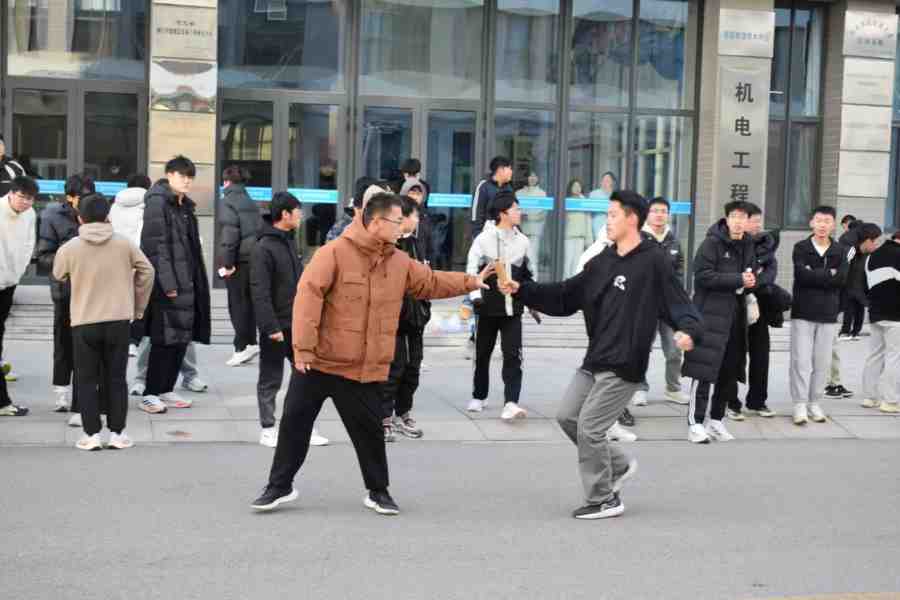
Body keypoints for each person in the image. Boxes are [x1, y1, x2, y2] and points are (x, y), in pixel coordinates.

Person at [250, 193, 493, 515]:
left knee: (370, 433)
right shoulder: (333, 253)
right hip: (318, 361)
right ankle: (279, 486)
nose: (403, 227)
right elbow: (307, 299)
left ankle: (378, 492)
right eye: (397, 221)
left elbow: (430, 282)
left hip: (361, 367)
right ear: (376, 221)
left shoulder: (398, 261)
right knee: (295, 424)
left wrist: (471, 281)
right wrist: (303, 348)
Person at [498, 190, 701, 519]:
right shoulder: (603, 261)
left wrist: (689, 330)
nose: (607, 221)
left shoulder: (654, 261)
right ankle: (617, 465)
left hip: (625, 362)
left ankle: (604, 498)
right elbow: (566, 295)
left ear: (632, 219)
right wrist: (523, 290)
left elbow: (679, 302)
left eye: (612, 215)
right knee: (568, 417)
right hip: (596, 358)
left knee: (590, 428)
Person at [52, 193, 154, 450]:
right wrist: (137, 306)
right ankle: (117, 434)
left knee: (86, 379)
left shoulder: (70, 248)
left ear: (80, 217)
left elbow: (58, 274)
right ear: (108, 215)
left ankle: (92, 435)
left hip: (84, 321)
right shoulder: (124, 244)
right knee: (116, 378)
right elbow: (147, 271)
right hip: (118, 320)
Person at [251, 192, 329, 448]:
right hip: (276, 325)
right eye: (297, 211)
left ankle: (302, 426)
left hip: (296, 322)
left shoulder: (289, 241)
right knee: (271, 377)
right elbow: (259, 291)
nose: (301, 215)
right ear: (285, 214)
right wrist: (269, 326)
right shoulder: (264, 247)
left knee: (306, 375)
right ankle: (268, 428)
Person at [139, 155, 212, 414]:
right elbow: (155, 246)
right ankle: (150, 393)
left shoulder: (184, 206)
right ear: (169, 175)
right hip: (168, 284)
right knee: (164, 339)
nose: (187, 181)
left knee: (181, 338)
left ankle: (166, 389)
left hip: (187, 281)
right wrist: (167, 282)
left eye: (190, 177)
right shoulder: (157, 202)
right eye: (182, 176)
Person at [682, 201, 756, 443]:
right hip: (710, 315)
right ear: (726, 219)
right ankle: (695, 423)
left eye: (742, 217)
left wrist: (750, 283)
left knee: (728, 371)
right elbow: (702, 276)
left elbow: (750, 273)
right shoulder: (711, 243)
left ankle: (716, 420)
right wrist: (738, 279)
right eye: (733, 216)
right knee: (704, 370)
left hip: (735, 316)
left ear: (748, 221)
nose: (737, 221)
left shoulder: (748, 244)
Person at [465, 192, 531, 420]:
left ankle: (511, 402)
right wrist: (475, 297)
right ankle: (479, 395)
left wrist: (532, 300)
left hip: (514, 310)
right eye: (516, 209)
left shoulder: (523, 242)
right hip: (487, 308)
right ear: (503, 213)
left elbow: (530, 274)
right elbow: (471, 270)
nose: (520, 212)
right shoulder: (483, 240)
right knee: (483, 354)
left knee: (513, 356)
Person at [37, 174, 95, 422]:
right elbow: (43, 257)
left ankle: (83, 396)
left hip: (92, 291)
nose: (87, 202)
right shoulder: (52, 216)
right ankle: (61, 389)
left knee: (86, 345)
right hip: (65, 290)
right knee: (63, 343)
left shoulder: (98, 214)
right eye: (82, 197)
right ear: (70, 197)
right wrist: (71, 259)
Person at [789, 206, 850, 426]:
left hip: (828, 313)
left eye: (827, 221)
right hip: (803, 312)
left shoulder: (840, 250)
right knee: (800, 360)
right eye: (819, 220)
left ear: (833, 225)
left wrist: (815, 273)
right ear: (811, 223)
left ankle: (814, 402)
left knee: (822, 362)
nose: (822, 225)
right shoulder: (801, 247)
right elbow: (801, 275)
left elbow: (841, 279)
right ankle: (799, 404)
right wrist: (828, 274)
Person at [731, 203, 789, 419]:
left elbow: (770, 274)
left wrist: (751, 282)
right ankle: (731, 402)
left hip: (759, 309)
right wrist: (749, 280)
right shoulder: (730, 244)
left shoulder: (766, 245)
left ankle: (757, 401)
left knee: (761, 356)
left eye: (758, 221)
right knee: (733, 357)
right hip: (734, 309)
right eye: (752, 220)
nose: (757, 225)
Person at [380, 196, 431, 441]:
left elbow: (427, 277)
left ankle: (403, 414)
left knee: (413, 368)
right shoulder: (390, 245)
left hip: (416, 318)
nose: (417, 220)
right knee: (394, 369)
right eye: (415, 216)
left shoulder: (416, 243)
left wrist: (425, 308)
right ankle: (384, 418)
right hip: (395, 319)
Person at [633, 197, 688, 407]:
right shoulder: (637, 238)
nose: (659, 215)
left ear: (668, 215)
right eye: (655, 210)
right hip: (643, 305)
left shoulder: (674, 241)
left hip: (669, 306)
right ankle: (639, 388)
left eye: (663, 211)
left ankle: (673, 389)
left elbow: (679, 271)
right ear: (647, 214)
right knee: (641, 348)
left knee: (674, 350)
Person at [0, 176, 37, 416]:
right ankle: (3, 402)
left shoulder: (30, 215)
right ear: (11, 193)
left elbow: (28, 245)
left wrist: (17, 273)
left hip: (9, 283)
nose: (26, 203)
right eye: (22, 197)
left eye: (30, 199)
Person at [218, 165, 261, 368]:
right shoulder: (250, 201)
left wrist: (227, 264)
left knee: (237, 305)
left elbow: (230, 235)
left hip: (238, 260)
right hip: (253, 257)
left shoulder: (227, 201)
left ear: (226, 181)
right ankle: (250, 343)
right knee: (248, 304)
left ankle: (241, 347)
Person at [110, 173, 151, 356]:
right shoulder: (149, 205)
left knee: (119, 298)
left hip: (116, 256)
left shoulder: (115, 205)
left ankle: (118, 339)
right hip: (139, 256)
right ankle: (133, 341)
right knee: (140, 299)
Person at [862, 228, 900, 412]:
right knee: (894, 357)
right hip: (896, 315)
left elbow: (865, 286)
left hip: (875, 314)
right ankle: (890, 401)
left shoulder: (871, 257)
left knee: (875, 355)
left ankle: (870, 397)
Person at [471, 156, 514, 237]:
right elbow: (476, 215)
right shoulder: (483, 186)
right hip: (487, 236)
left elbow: (512, 213)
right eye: (509, 169)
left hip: (505, 236)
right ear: (501, 170)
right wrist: (479, 237)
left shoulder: (509, 188)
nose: (511, 172)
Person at [838, 219, 867, 341]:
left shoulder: (846, 238)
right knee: (860, 305)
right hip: (862, 276)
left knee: (849, 305)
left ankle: (846, 330)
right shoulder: (864, 239)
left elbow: (844, 258)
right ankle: (856, 330)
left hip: (850, 276)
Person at [564, 179, 593, 277]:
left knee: (577, 262)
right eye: (575, 186)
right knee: (567, 261)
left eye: (579, 186)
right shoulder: (566, 201)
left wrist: (589, 239)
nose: (577, 188)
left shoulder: (584, 201)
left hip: (580, 236)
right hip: (568, 236)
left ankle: (573, 283)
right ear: (570, 188)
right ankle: (565, 282)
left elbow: (588, 220)